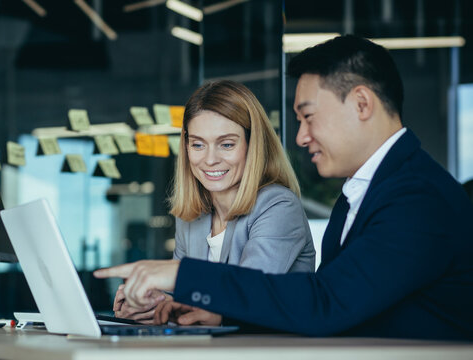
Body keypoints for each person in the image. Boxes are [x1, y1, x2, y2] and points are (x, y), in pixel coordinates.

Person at [95, 35, 473, 339]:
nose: (301, 136)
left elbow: (326, 302)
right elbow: (332, 304)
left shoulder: (417, 198)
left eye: (308, 117)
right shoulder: (361, 194)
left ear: (361, 103)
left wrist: (181, 277)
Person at [112, 80, 315, 323]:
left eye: (226, 144)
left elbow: (245, 295)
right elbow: (187, 302)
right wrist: (149, 303)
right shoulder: (191, 218)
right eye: (198, 144)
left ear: (253, 145)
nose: (210, 160)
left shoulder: (278, 206)